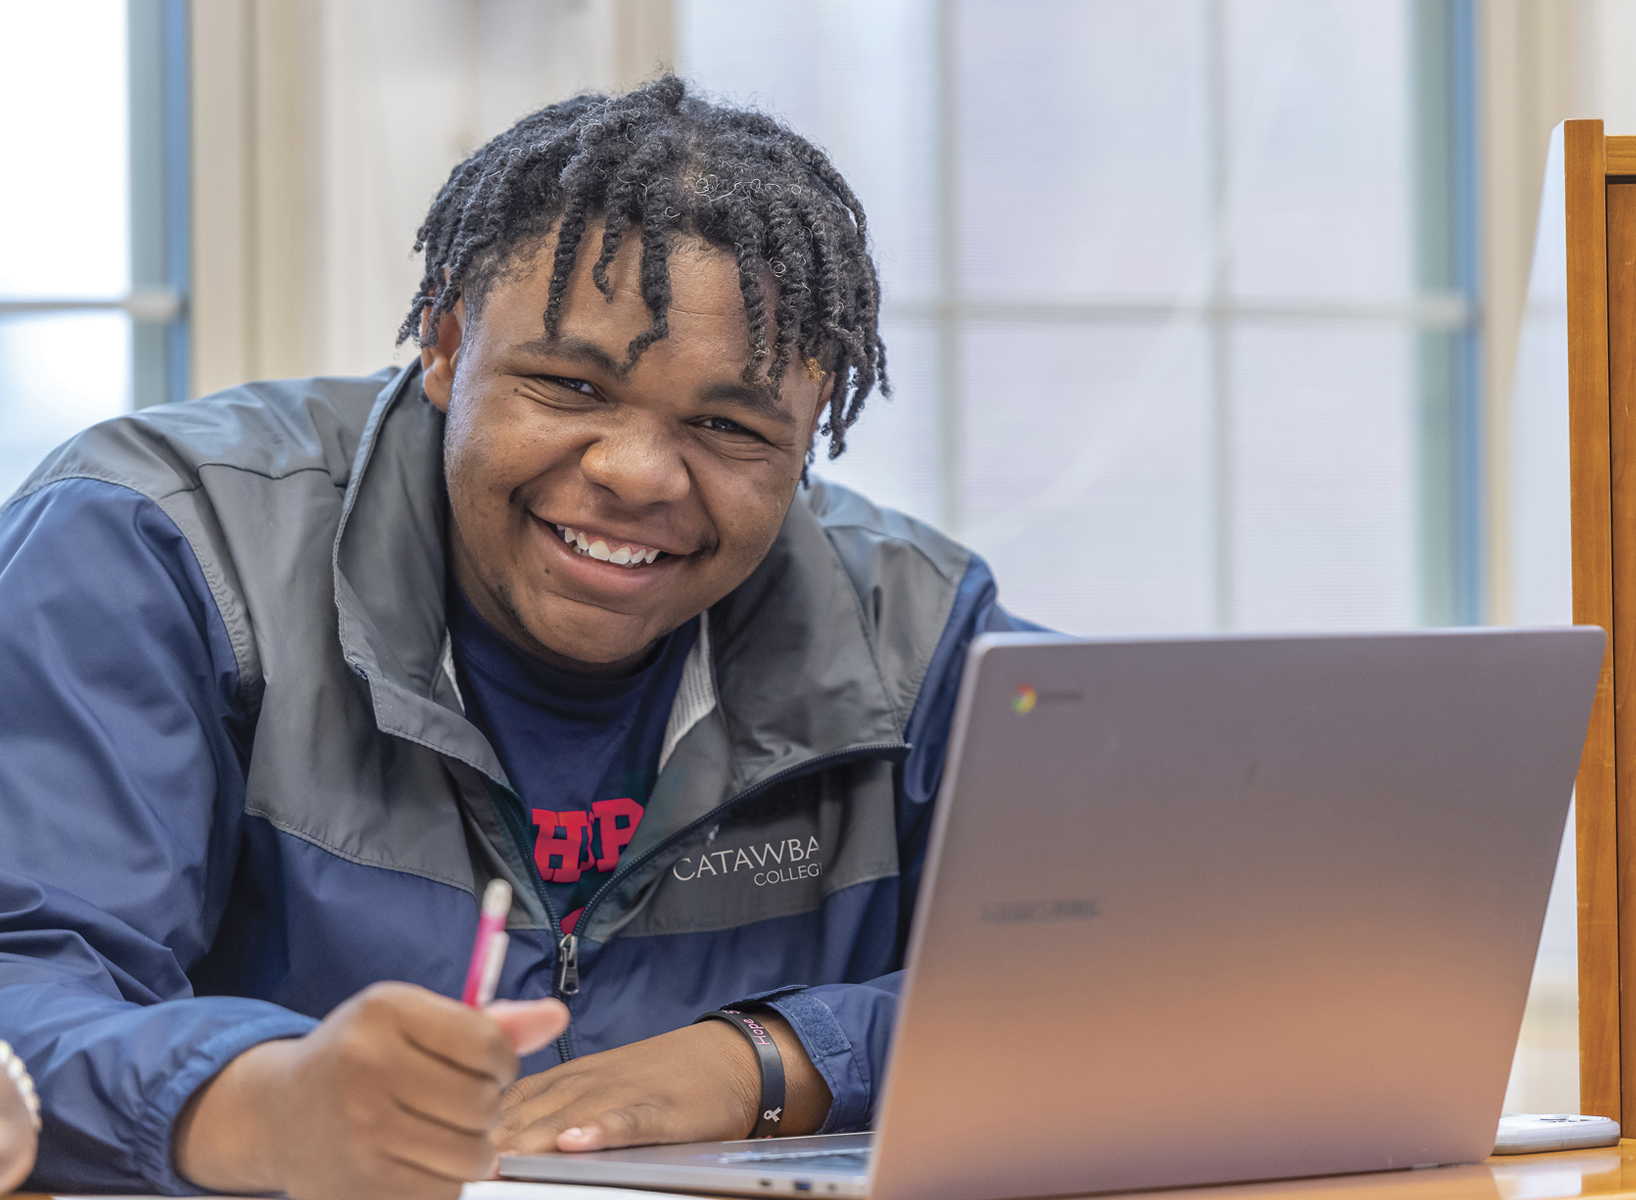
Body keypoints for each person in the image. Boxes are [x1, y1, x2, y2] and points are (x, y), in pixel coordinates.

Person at [0, 77, 1030, 1200]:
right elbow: (26, 984)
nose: (636, 474)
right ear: (445, 345)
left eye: (727, 425)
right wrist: (266, 1101)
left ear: (812, 420)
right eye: (569, 384)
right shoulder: (161, 548)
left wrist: (767, 1061)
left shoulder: (919, 632)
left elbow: (1138, 965)